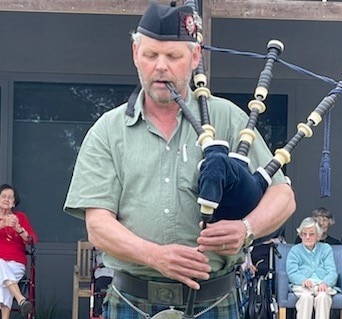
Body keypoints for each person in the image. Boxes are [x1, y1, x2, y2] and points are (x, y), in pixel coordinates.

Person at [63, 2, 295, 319]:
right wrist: (156, 256)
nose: (161, 66)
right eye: (150, 55)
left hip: (215, 298)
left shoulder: (228, 118)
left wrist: (246, 229)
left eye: (173, 56)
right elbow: (98, 226)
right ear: (135, 54)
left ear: (195, 57)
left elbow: (283, 196)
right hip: (132, 301)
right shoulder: (109, 130)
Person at [287, 217, 337, 319]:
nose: (307, 237)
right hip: (302, 286)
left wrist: (325, 282)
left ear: (318, 235)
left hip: (322, 285)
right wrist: (302, 280)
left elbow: (332, 272)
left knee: (323, 297)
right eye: (304, 234)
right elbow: (291, 272)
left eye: (311, 234)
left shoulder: (326, 248)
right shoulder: (295, 250)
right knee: (306, 298)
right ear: (300, 235)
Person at [0, 184, 38, 318]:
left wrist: (19, 229)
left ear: (14, 203)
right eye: (3, 196)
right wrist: (3, 224)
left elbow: (32, 240)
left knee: (3, 278)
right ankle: (21, 299)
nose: (6, 199)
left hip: (16, 264)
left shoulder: (20, 217)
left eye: (10, 197)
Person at [92, 249, 114, 318]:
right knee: (100, 290)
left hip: (112, 275)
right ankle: (99, 313)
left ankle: (103, 313)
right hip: (101, 274)